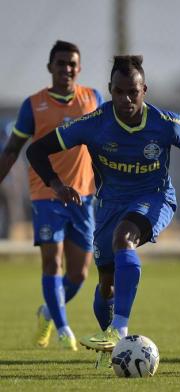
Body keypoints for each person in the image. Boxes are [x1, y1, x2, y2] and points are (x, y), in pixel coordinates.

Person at [26, 55, 180, 367]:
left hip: (154, 198)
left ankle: (120, 329)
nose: (126, 99)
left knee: (124, 238)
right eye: (119, 91)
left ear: (144, 90)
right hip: (110, 205)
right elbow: (36, 150)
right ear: (110, 90)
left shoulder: (165, 124)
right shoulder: (94, 124)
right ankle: (111, 345)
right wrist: (56, 185)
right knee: (106, 285)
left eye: (133, 92)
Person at [0, 40, 104, 351]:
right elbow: (12, 150)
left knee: (79, 273)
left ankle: (47, 312)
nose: (67, 69)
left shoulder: (93, 99)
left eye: (72, 63)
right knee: (51, 263)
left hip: (83, 197)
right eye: (61, 64)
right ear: (51, 68)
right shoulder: (33, 105)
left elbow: (102, 144)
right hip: (46, 194)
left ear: (79, 67)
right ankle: (63, 329)